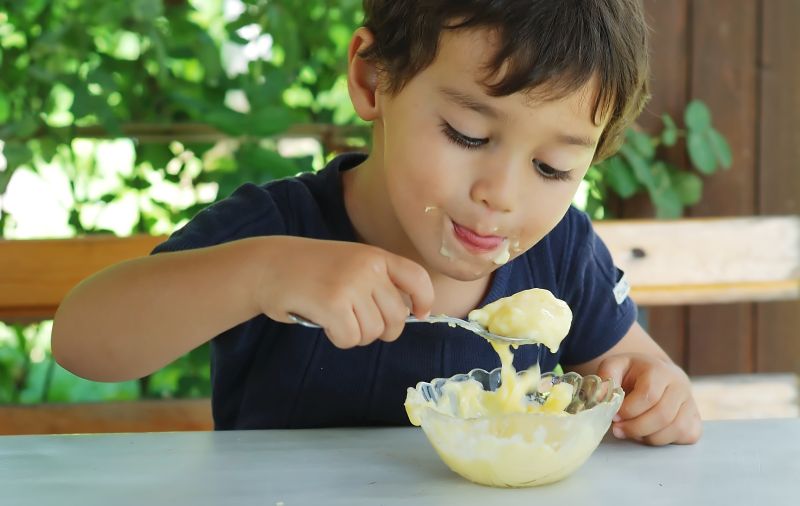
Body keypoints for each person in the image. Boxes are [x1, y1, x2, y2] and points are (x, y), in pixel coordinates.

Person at [51, 0, 702, 445]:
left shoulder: (563, 256)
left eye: (553, 167)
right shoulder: (280, 231)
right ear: (372, 80)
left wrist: (655, 393)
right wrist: (262, 274)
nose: (500, 195)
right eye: (467, 134)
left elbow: (632, 366)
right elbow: (83, 342)